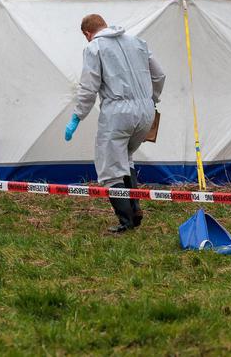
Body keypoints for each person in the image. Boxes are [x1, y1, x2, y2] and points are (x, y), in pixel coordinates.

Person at [64, 14, 165, 233]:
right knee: (126, 158)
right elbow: (159, 75)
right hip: (145, 111)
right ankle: (135, 210)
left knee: (110, 169)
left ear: (87, 34)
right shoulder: (137, 42)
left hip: (118, 112)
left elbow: (89, 88)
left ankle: (125, 221)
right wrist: (151, 99)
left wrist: (77, 117)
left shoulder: (95, 48)